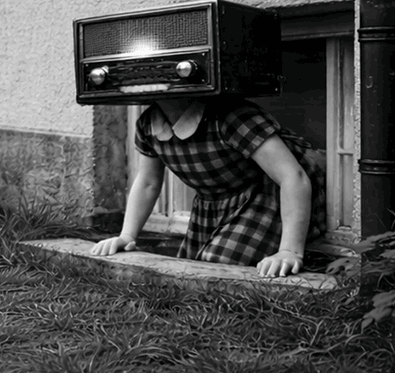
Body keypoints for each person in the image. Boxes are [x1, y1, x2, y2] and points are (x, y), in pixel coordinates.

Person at [88, 95, 324, 278]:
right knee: (187, 270)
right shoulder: (148, 124)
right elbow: (148, 182)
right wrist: (126, 235)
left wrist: (290, 251)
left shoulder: (231, 116)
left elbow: (293, 176)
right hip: (212, 204)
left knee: (214, 268)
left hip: (263, 196)